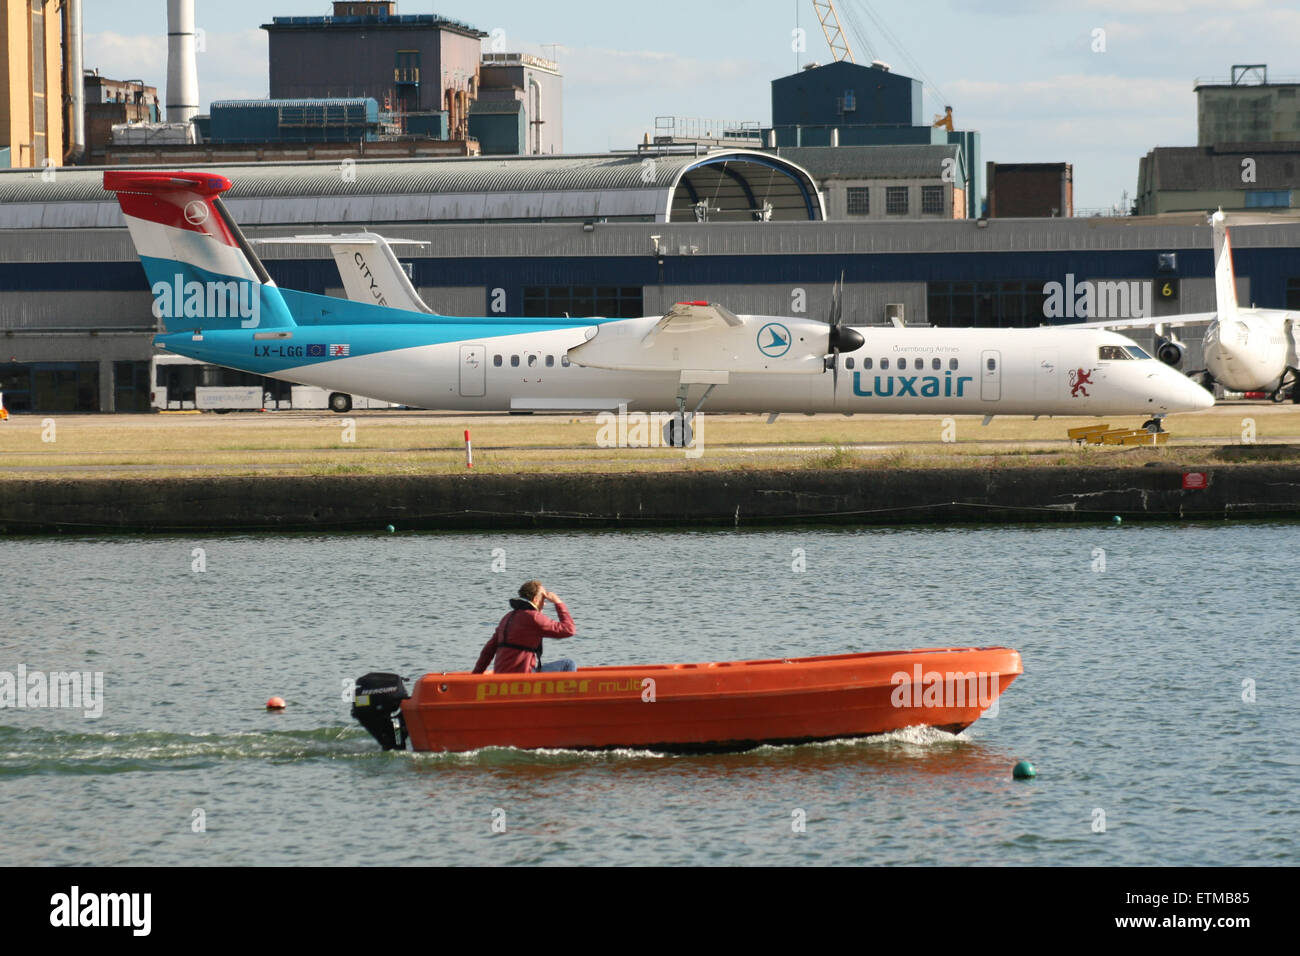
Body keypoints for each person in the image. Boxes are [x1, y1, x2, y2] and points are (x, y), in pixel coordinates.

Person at [473, 580, 576, 675]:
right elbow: (569, 629)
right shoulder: (534, 617)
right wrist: (558, 602)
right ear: (536, 600)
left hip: (502, 675)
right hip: (524, 677)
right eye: (544, 599)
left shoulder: (507, 617)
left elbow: (488, 650)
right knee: (568, 664)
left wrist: (476, 675)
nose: (544, 603)